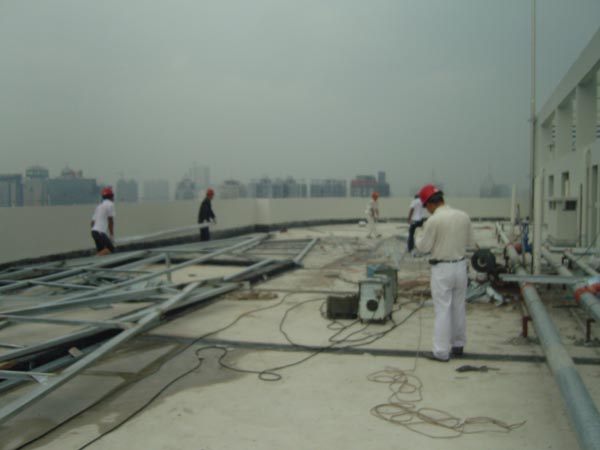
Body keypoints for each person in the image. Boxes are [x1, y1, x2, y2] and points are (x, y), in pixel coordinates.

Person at [416, 184, 476, 362]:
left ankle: (441, 352)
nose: (427, 210)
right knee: (458, 307)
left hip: (442, 269)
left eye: (426, 207)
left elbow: (423, 247)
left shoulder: (434, 220)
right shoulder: (463, 216)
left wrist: (418, 233)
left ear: (429, 203)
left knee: (442, 310)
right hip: (460, 266)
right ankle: (458, 344)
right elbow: (470, 241)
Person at [91, 187, 116, 256]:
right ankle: (95, 258)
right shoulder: (110, 205)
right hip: (100, 232)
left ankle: (97, 259)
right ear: (112, 196)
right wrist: (111, 235)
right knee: (110, 248)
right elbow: (110, 221)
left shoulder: (99, 206)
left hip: (94, 232)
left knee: (101, 250)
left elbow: (92, 223)